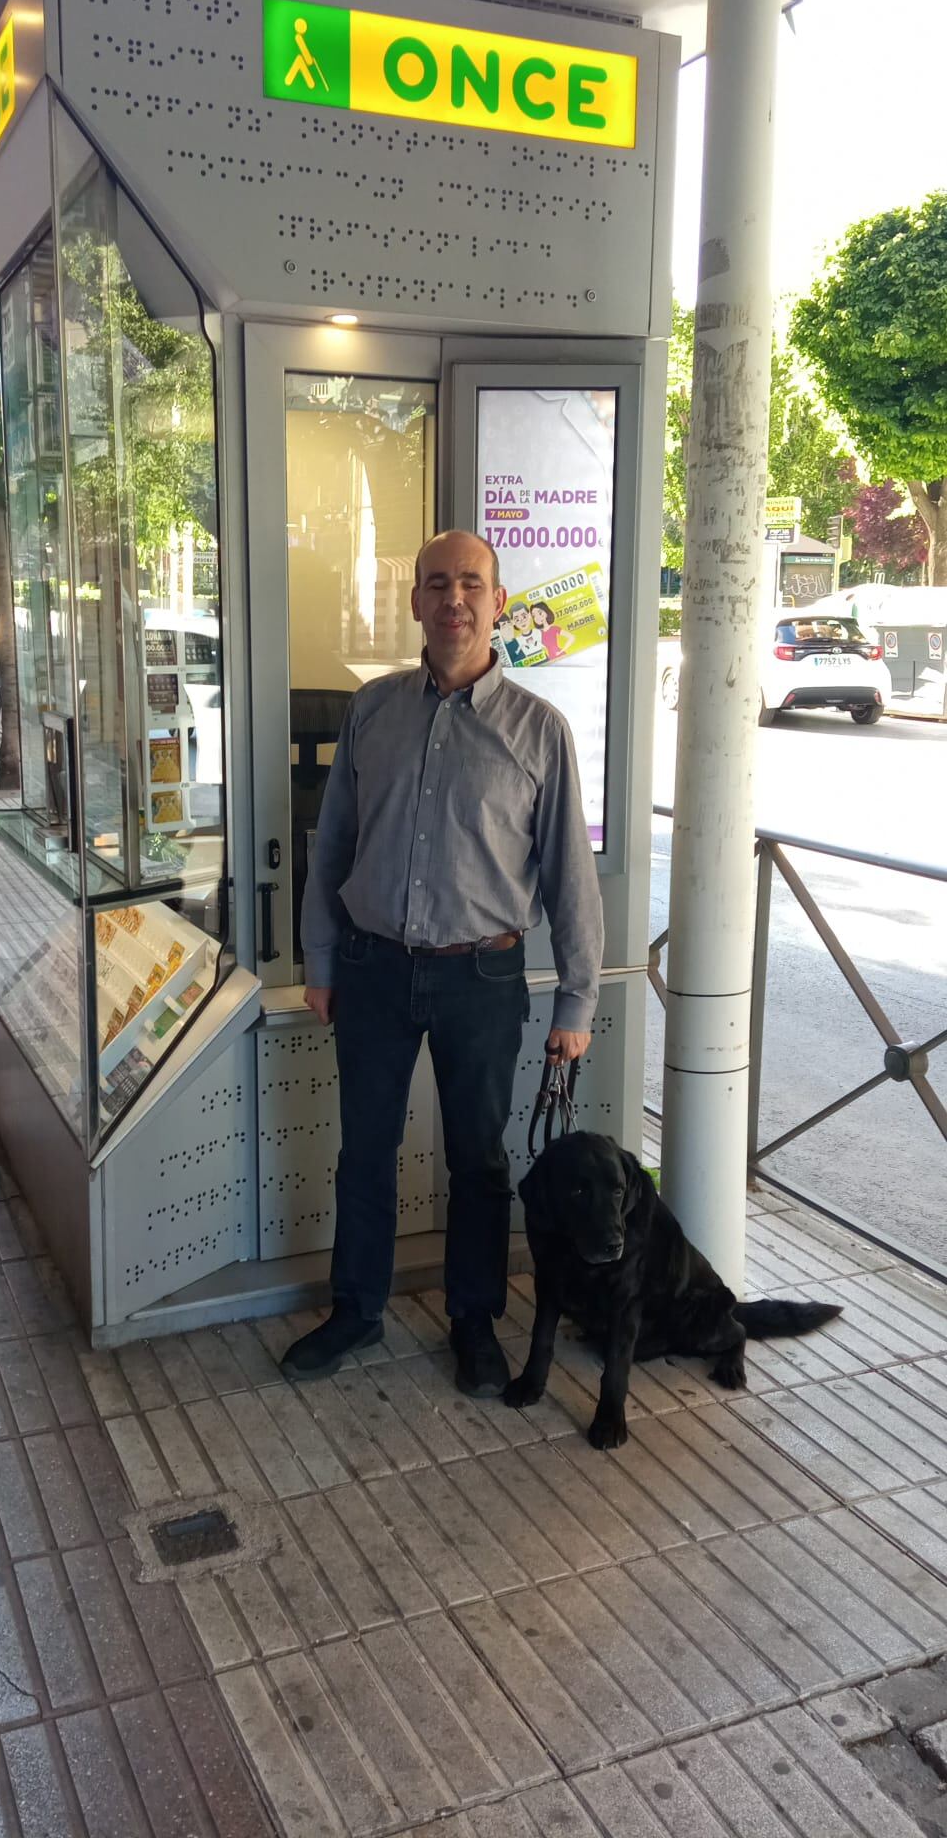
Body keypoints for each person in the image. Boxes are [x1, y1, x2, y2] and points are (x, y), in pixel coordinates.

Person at [281, 529, 603, 1396]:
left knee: (479, 1162)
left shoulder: (540, 731)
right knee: (366, 1151)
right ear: (416, 602)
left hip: (484, 978)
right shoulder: (374, 711)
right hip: (374, 968)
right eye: (437, 584)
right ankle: (357, 1309)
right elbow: (334, 842)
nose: (453, 599)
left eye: (472, 583)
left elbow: (571, 877)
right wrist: (321, 958)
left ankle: (473, 1321)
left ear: (498, 603)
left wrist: (576, 1005)